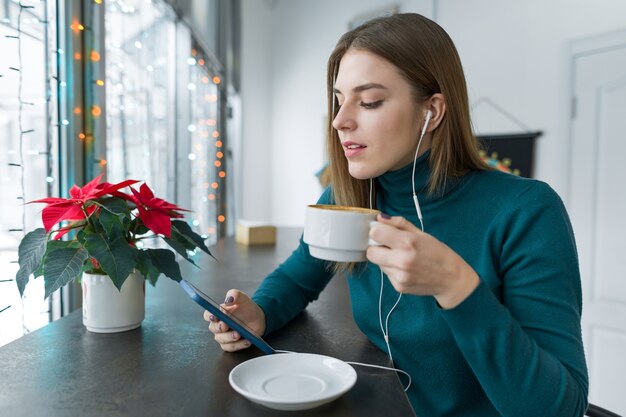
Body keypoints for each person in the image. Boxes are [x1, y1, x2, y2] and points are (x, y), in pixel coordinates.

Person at [204, 13, 588, 416]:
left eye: (369, 101)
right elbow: (298, 277)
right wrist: (259, 312)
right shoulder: (348, 196)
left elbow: (560, 407)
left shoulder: (526, 211)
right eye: (338, 100)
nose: (339, 121)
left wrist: (455, 286)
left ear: (432, 111)